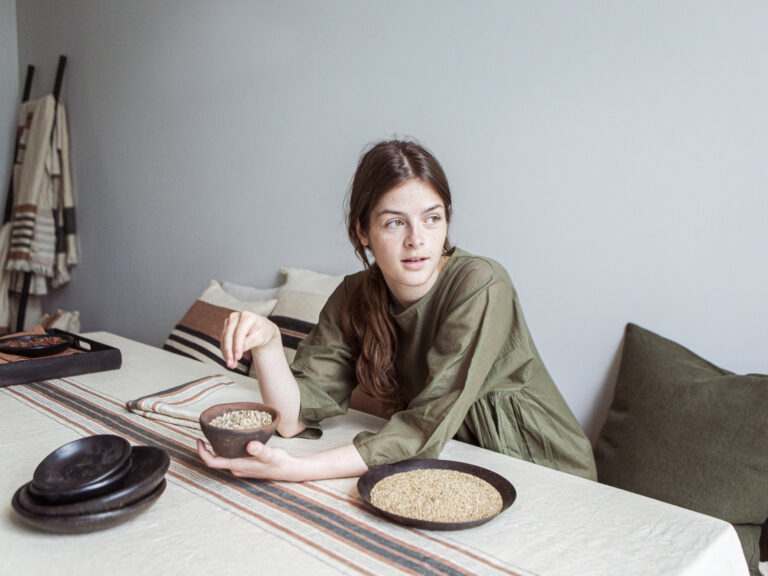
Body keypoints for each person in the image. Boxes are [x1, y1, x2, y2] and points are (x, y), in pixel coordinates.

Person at [197, 139, 597, 482]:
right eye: (394, 223)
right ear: (362, 231)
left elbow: (423, 425)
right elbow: (291, 418)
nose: (417, 240)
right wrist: (267, 343)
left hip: (544, 469)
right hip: (457, 462)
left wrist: (300, 469)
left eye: (432, 218)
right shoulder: (354, 294)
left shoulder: (481, 284)